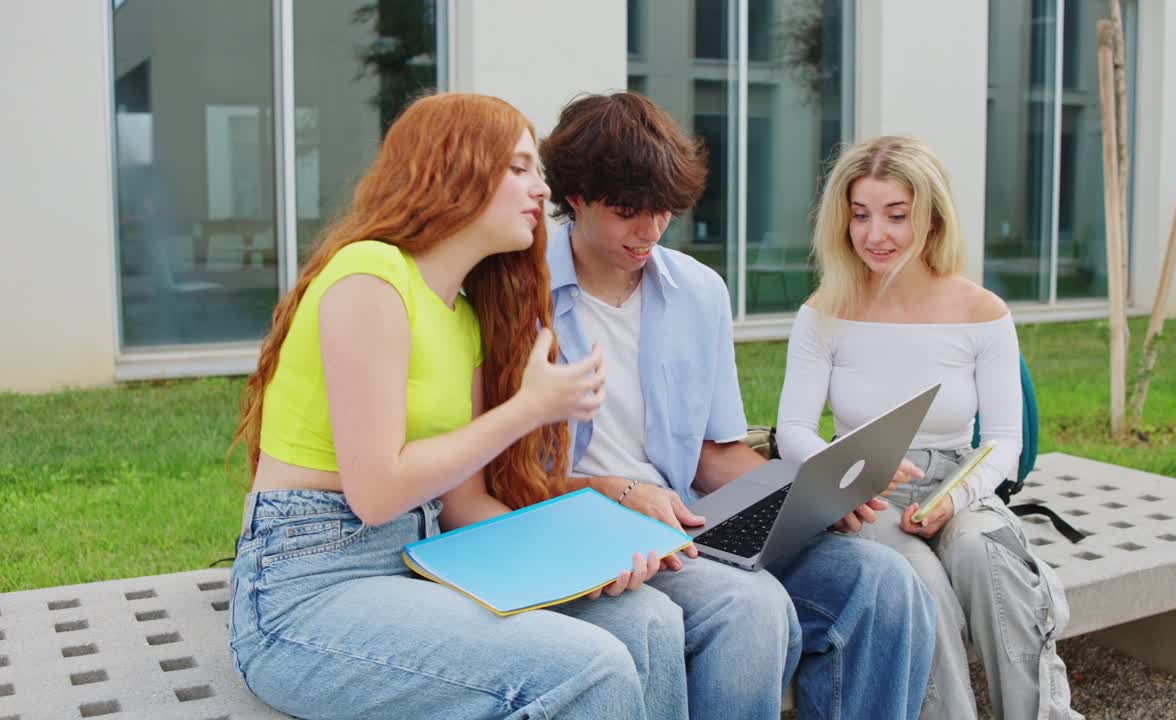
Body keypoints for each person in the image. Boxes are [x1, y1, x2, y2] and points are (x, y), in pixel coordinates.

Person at [225, 93, 690, 720]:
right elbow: (376, 492)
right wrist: (526, 409)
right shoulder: (370, 274)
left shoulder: (464, 317)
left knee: (650, 621)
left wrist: (594, 555)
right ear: (455, 168)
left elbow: (464, 502)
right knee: (591, 668)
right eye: (520, 167)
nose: (541, 189)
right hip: (305, 587)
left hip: (421, 557)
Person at [539, 91, 937, 720]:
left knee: (886, 583)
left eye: (665, 211)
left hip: (690, 522)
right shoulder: (518, 292)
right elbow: (497, 479)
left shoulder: (697, 291)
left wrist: (812, 492)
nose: (650, 231)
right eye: (628, 213)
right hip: (587, 527)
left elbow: (713, 456)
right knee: (750, 609)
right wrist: (614, 492)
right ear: (577, 196)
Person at [776, 134, 1080, 720]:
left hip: (959, 483)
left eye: (896, 215)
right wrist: (853, 474)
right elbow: (792, 430)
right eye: (860, 215)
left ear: (932, 217)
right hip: (867, 494)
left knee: (983, 554)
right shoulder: (823, 312)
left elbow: (1004, 445)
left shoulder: (982, 312)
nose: (874, 234)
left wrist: (956, 496)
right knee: (917, 582)